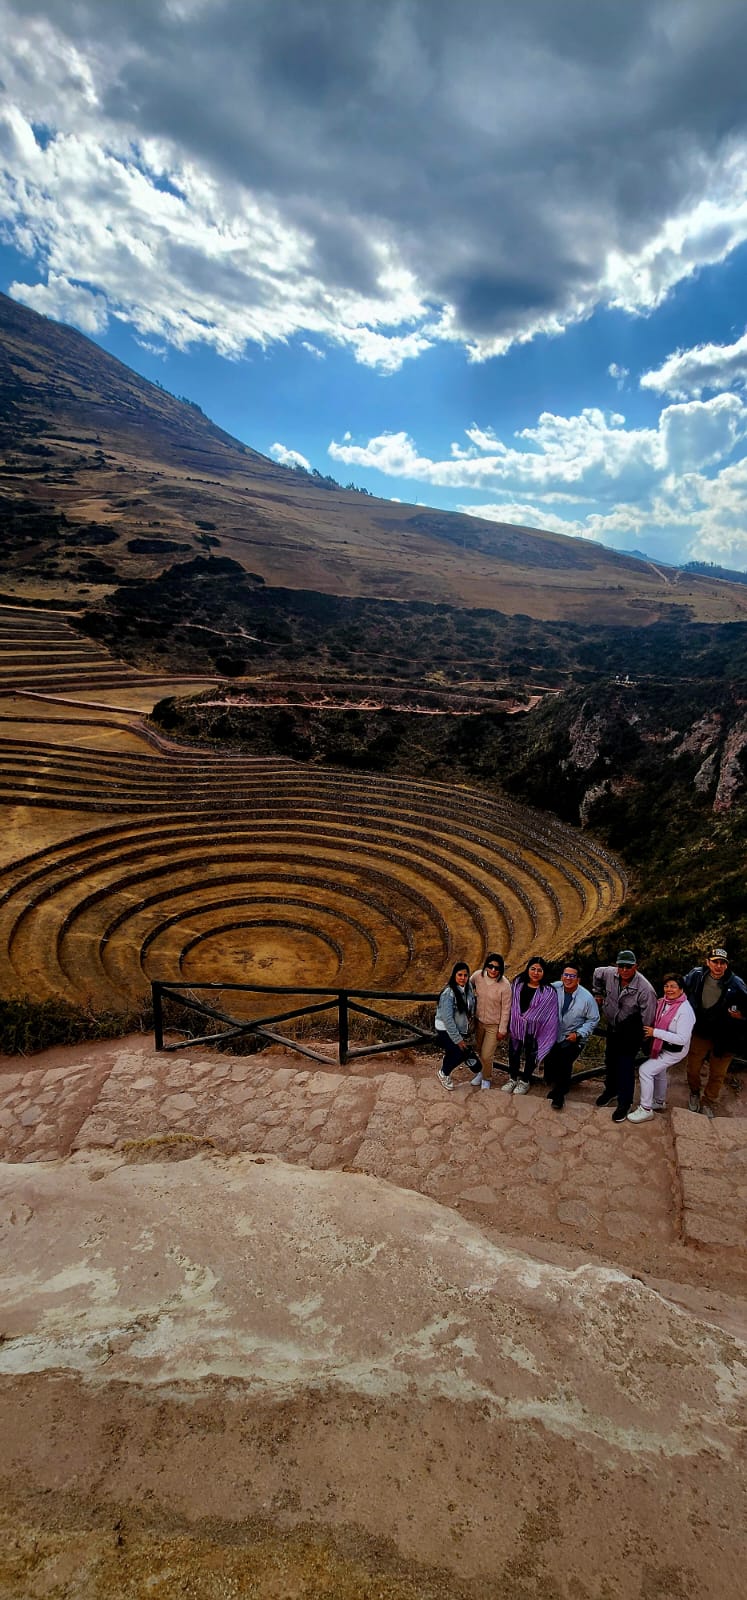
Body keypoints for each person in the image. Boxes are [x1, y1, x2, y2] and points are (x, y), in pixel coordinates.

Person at [682, 947, 747, 1119]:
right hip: (701, 1030)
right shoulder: (696, 975)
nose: (718, 966)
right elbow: (680, 987)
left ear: (726, 965)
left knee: (718, 1073)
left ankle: (708, 1101)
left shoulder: (736, 984)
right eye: (715, 962)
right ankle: (694, 1092)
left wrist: (742, 1015)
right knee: (693, 1066)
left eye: (722, 962)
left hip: (725, 1035)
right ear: (707, 962)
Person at [592, 950, 656, 1122]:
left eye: (628, 966)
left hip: (631, 1032)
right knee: (610, 1060)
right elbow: (597, 972)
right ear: (616, 966)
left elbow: (648, 1017)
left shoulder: (645, 989)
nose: (624, 970)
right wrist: (597, 992)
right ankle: (610, 1090)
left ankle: (625, 1103)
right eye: (621, 966)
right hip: (613, 1027)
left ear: (636, 966)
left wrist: (642, 1039)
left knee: (625, 1066)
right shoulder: (609, 973)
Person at [627, 974, 696, 1123]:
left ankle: (646, 1109)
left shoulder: (685, 1011)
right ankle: (659, 1101)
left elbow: (682, 1039)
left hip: (674, 1050)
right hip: (662, 1046)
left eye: (673, 986)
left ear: (681, 989)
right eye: (666, 986)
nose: (669, 989)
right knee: (659, 1072)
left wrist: (655, 1032)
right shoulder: (663, 1002)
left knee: (645, 1070)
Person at [544, 960, 599, 1111]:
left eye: (572, 976)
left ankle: (559, 1096)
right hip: (554, 1035)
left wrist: (579, 1033)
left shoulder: (586, 998)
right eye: (566, 975)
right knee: (550, 1060)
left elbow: (594, 1019)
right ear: (562, 976)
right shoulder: (554, 988)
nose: (568, 978)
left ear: (578, 979)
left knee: (564, 1062)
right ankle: (554, 1083)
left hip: (574, 1037)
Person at [503, 956, 558, 1095]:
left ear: (544, 972)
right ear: (528, 969)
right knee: (513, 1053)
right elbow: (511, 1005)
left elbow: (550, 1014)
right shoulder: (517, 983)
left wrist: (531, 1019)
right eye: (533, 969)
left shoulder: (548, 992)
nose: (535, 972)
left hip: (535, 1031)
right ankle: (512, 1078)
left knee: (531, 1055)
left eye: (539, 970)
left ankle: (525, 1081)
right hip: (516, 1027)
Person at [470, 952, 511, 1089]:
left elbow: (506, 1009)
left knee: (487, 1054)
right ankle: (482, 1073)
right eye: (490, 966)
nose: (493, 970)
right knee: (480, 1050)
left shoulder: (505, 985)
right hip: (479, 1021)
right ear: (486, 965)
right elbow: (467, 987)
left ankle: (487, 1078)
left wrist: (502, 1029)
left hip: (494, 1025)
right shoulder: (478, 976)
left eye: (497, 968)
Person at [435, 960, 477, 1089]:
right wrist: (458, 1040)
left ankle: (444, 1071)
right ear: (454, 975)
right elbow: (448, 1019)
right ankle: (443, 1073)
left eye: (465, 975)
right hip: (445, 1028)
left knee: (453, 1052)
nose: (463, 978)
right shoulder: (448, 993)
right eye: (460, 975)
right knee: (460, 1052)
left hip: (459, 1027)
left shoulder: (468, 987)